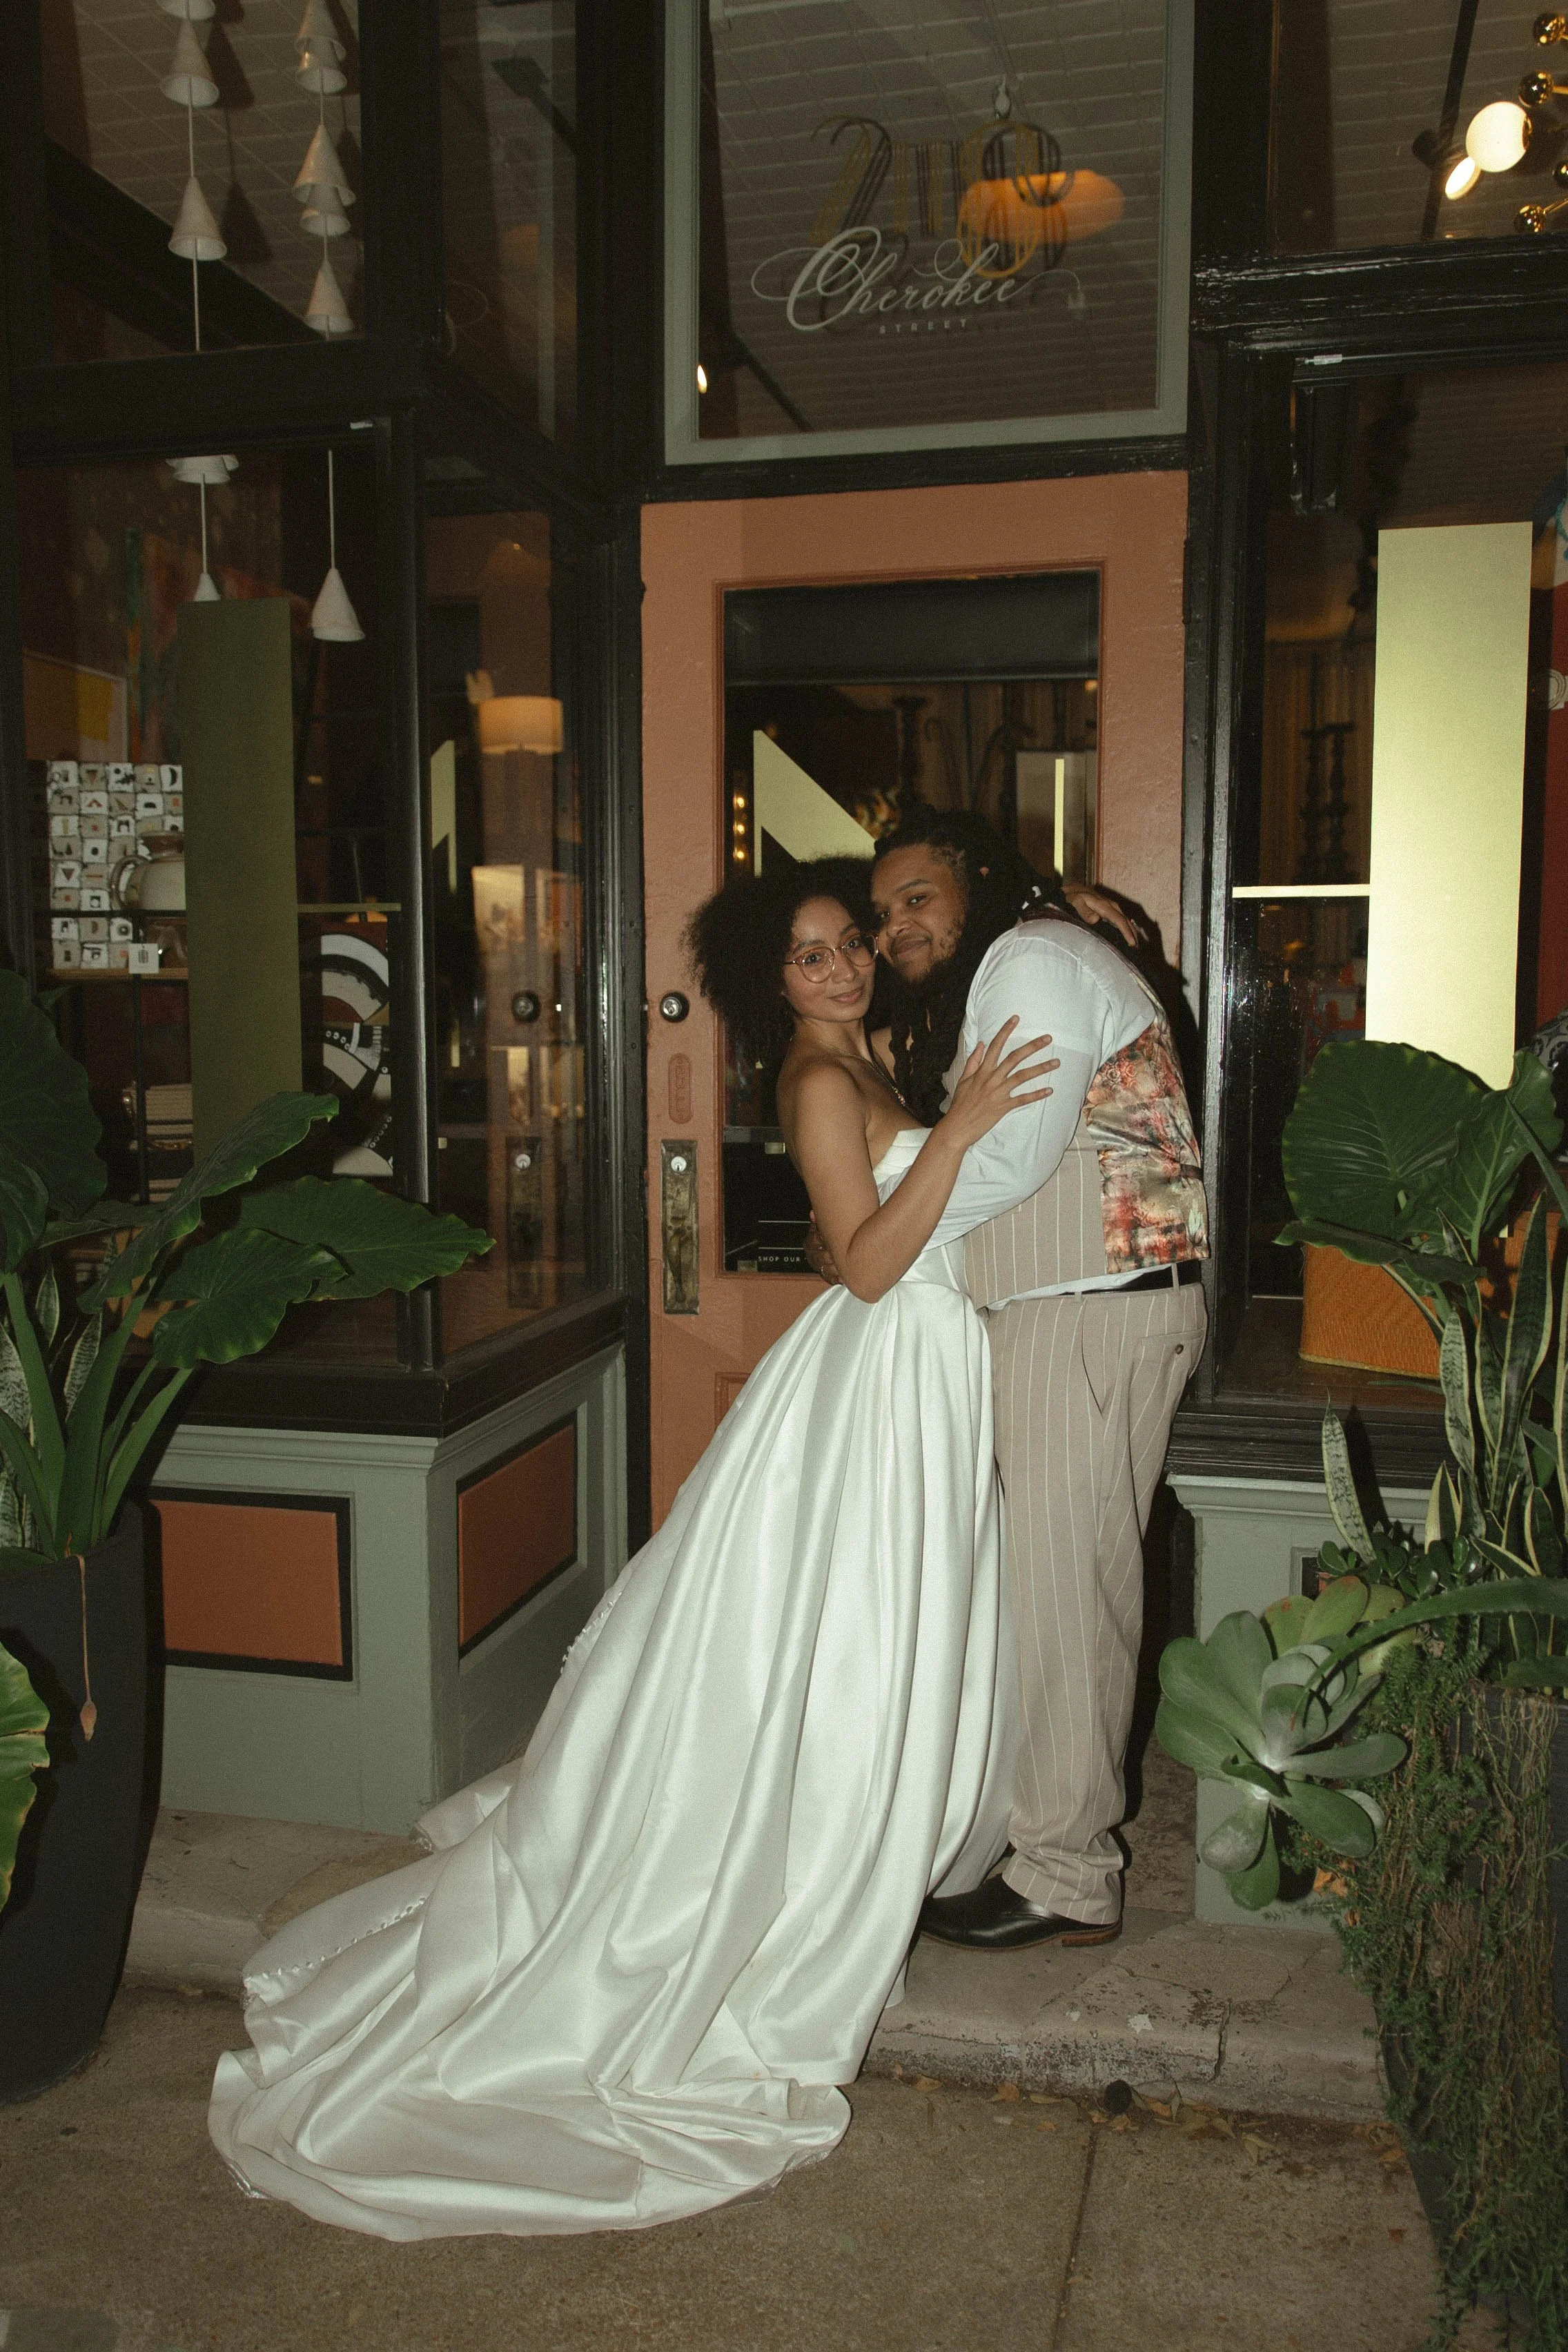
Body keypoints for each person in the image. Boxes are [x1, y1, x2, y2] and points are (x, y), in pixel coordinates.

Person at [207, 859, 1055, 2242]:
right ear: (761, 984)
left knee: (873, 1640)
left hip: (928, 1382)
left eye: (845, 942)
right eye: (805, 955)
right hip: (880, 1370)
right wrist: (954, 1141)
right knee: (832, 1643)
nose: (837, 966)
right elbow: (862, 1261)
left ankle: (852, 1853)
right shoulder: (817, 1084)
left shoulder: (882, 1053)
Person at [821, 810, 1208, 1951]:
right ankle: (1032, 1838)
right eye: (881, 911)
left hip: (1088, 1308)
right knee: (1047, 1589)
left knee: (1068, 1596)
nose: (894, 928)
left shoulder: (1033, 956)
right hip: (1067, 1308)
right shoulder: (1023, 954)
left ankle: (1068, 1874)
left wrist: (881, 1237)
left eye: (916, 899)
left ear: (980, 882)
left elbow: (1015, 1152)